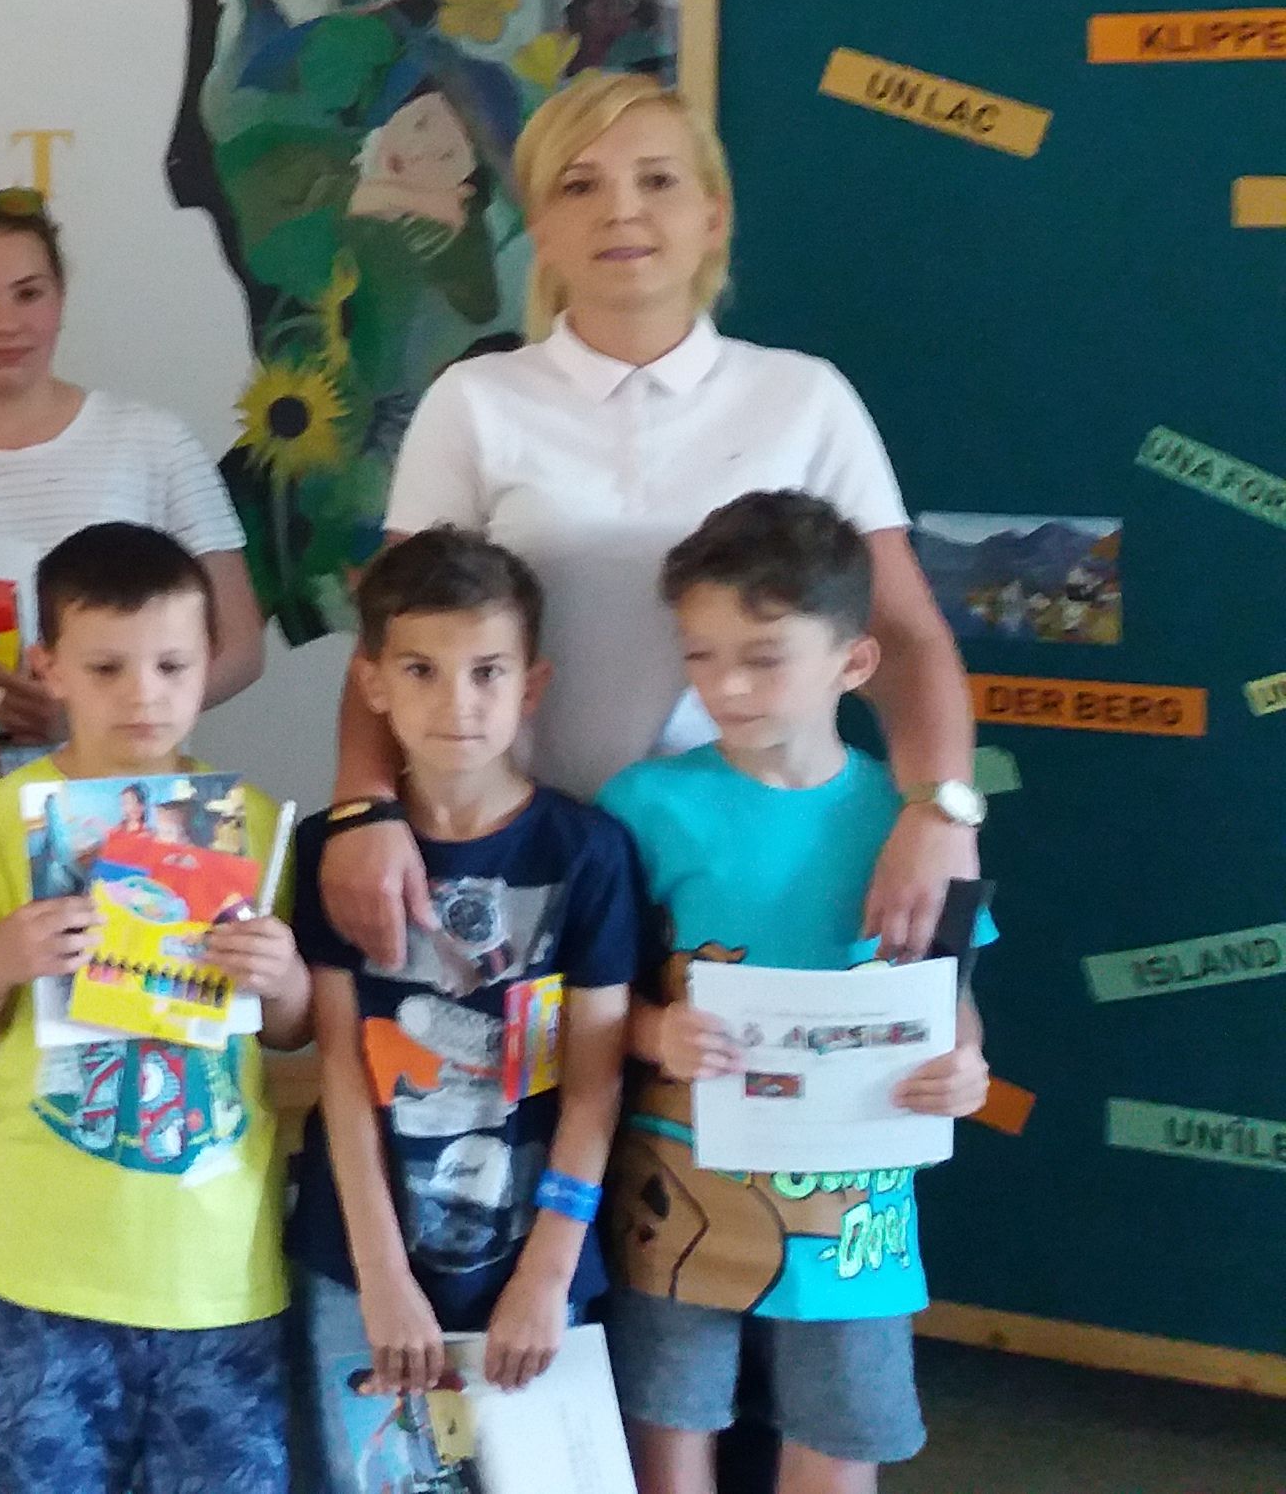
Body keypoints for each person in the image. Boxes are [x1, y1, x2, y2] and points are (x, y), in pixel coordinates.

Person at [322, 72, 979, 969]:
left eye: (658, 180)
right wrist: (363, 807)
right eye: (579, 185)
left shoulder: (804, 398)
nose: (621, 211)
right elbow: (395, 638)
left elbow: (903, 640)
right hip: (523, 855)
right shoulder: (474, 401)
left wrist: (941, 812)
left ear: (713, 215)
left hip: (735, 870)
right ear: (540, 227)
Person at [0, 523, 309, 1494]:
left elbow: (294, 1033)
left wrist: (284, 973)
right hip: (43, 1257)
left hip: (215, 1263)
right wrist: (1, 960)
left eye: (171, 665)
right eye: (106, 666)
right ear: (48, 667)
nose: (142, 694)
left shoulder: (255, 823)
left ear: (210, 662)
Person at [605, 494, 993, 1494]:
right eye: (701, 656)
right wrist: (654, 1032)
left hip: (855, 1211)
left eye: (764, 657)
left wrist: (965, 1066)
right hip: (677, 1196)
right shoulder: (645, 806)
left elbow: (947, 992)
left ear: (853, 663)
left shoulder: (906, 822)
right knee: (669, 1423)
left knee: (839, 1433)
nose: (726, 685)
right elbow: (588, 998)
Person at [292, 530, 641, 1494]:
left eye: (488, 671)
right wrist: (381, 1278)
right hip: (361, 1259)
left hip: (534, 1256)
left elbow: (595, 1085)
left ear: (532, 685)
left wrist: (549, 1272)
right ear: (372, 684)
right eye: (421, 670)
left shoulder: (588, 853)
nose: (458, 703)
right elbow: (339, 1069)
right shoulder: (331, 853)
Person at [0, 187, 259, 719]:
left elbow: (240, 648)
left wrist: (98, 718)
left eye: (28, 294)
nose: (6, 323)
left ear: (60, 299)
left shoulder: (155, 443)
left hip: (117, 772)